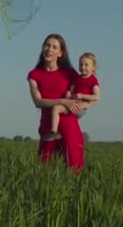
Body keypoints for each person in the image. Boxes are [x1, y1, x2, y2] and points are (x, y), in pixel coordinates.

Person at [27, 33, 86, 172]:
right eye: (47, 45)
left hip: (69, 124)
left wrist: (84, 104)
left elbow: (84, 91)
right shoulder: (34, 74)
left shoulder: (70, 73)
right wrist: (62, 101)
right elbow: (38, 101)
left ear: (60, 53)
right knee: (44, 169)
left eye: (54, 47)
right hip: (49, 126)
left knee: (74, 168)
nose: (49, 49)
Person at [43, 52, 101, 141]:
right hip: (72, 102)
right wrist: (68, 93)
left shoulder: (93, 79)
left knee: (67, 118)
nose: (83, 67)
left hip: (82, 105)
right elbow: (71, 88)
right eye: (81, 65)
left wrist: (82, 96)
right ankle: (54, 132)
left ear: (93, 67)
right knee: (55, 108)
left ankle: (68, 134)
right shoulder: (77, 78)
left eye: (86, 65)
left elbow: (96, 96)